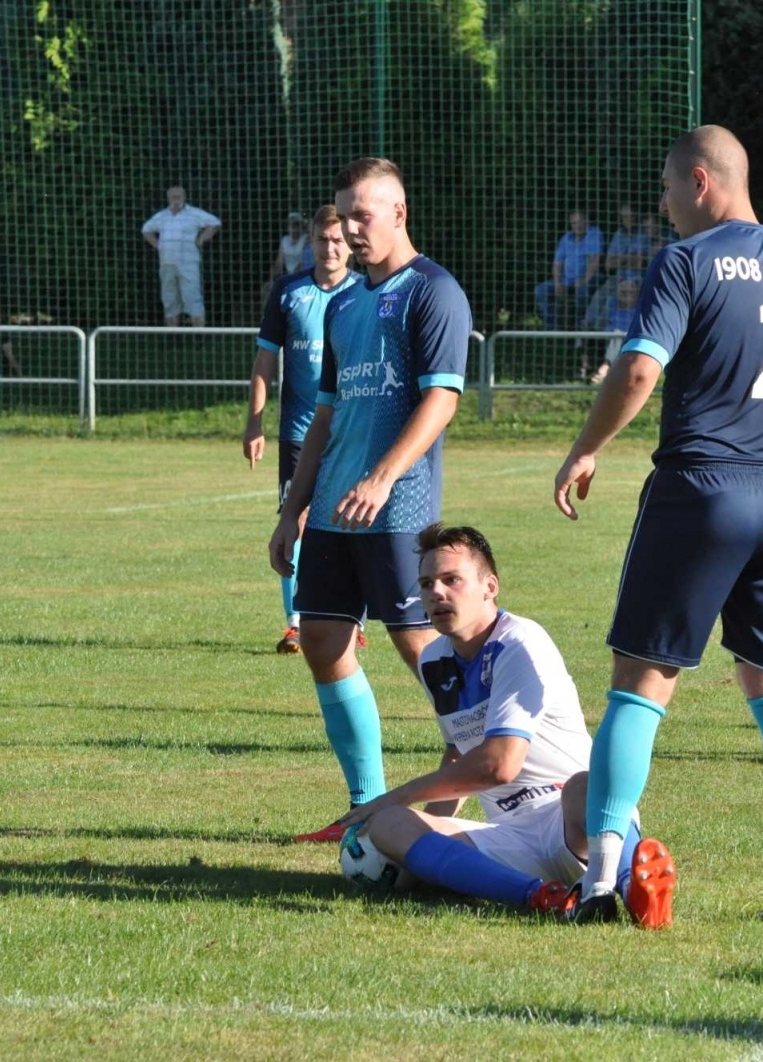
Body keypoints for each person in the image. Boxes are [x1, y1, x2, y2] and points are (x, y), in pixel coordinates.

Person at [552, 126, 763, 924]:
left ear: (700, 181)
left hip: (703, 486)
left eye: (666, 189)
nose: (663, 207)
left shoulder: (686, 262)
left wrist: (586, 447)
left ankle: (600, 881)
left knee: (640, 686)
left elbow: (639, 368)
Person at [268, 156, 472, 843]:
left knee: (424, 650)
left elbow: (441, 399)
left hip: (398, 507)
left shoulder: (432, 291)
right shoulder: (345, 304)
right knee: (323, 641)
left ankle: (477, 775)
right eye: (345, 215)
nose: (353, 228)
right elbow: (325, 415)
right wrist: (292, 509)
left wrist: (383, 477)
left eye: (363, 214)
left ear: (398, 213)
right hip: (333, 508)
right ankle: (365, 806)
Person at [336, 523, 676, 928]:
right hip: (510, 835)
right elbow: (458, 753)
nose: (436, 593)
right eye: (426, 584)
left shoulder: (520, 642)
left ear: (490, 587)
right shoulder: (433, 660)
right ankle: (542, 897)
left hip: (574, 821)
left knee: (584, 786)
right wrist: (421, 833)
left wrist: (396, 795)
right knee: (389, 825)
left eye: (451, 580)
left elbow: (499, 765)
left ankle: (631, 885)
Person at [245, 205, 359, 654]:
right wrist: (254, 422)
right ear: (310, 242)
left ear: (350, 245)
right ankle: (295, 622)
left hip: (350, 431)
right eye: (322, 240)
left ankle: (353, 620)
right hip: (297, 431)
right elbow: (265, 360)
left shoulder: (365, 292)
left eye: (338, 241)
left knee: (351, 523)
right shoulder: (288, 291)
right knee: (293, 521)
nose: (329, 248)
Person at [140, 186, 221, 327]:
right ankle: (172, 334)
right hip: (167, 263)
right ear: (168, 198)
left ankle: (199, 334)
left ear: (184, 197)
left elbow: (215, 223)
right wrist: (158, 245)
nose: (176, 200)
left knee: (192, 296)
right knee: (169, 298)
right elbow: (146, 229)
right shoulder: (161, 216)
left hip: (189, 263)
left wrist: (201, 240)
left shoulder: (194, 214)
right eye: (173, 197)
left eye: (178, 197)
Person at [583, 204, 652, 328]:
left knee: (612, 299)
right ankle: (586, 327)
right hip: (619, 277)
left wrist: (619, 259)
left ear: (636, 217)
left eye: (629, 217)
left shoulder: (644, 234)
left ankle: (598, 331)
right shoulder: (618, 235)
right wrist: (628, 258)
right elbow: (608, 265)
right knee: (600, 294)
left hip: (638, 279)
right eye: (624, 217)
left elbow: (641, 263)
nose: (626, 220)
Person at [533, 210, 603, 332]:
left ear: (587, 221)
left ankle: (579, 328)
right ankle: (553, 329)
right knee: (540, 290)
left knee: (582, 291)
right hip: (566, 280)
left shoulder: (594, 234)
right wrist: (557, 283)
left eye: (580, 222)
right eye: (574, 223)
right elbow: (557, 263)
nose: (577, 226)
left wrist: (583, 280)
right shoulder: (566, 238)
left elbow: (594, 261)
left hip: (589, 278)